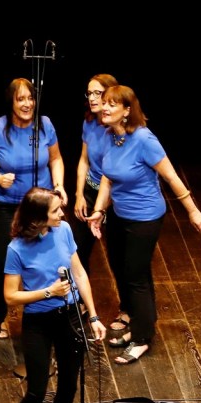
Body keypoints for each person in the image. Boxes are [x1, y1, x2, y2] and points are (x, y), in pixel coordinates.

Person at [87, 85, 201, 363]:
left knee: (135, 275)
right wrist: (99, 210)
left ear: (127, 111)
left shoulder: (144, 139)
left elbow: (171, 176)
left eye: (112, 104)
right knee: (122, 269)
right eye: (104, 102)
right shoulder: (109, 136)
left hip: (145, 216)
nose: (105, 108)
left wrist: (192, 210)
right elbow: (107, 178)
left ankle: (141, 338)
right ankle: (143, 323)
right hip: (120, 214)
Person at [2, 187, 106, 403]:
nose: (62, 213)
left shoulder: (63, 231)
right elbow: (11, 296)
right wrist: (48, 292)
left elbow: (80, 273)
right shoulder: (16, 249)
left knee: (69, 385)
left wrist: (93, 315)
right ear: (38, 218)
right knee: (36, 390)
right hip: (38, 321)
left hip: (70, 316)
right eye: (56, 210)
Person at [0, 78, 66, 340]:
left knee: (48, 258)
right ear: (11, 102)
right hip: (7, 205)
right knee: (5, 261)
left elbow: (56, 158)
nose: (27, 104)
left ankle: (48, 313)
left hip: (39, 205)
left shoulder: (45, 124)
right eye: (21, 99)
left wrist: (58, 185)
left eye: (30, 98)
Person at [71, 73, 119, 279]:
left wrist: (103, 207)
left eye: (97, 93)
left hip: (115, 197)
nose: (91, 98)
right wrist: (79, 195)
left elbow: (116, 175)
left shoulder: (120, 129)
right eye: (89, 93)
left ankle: (126, 300)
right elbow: (84, 160)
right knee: (77, 250)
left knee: (118, 256)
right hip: (91, 191)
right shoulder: (89, 122)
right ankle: (79, 296)